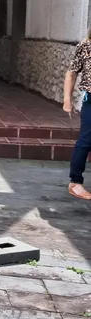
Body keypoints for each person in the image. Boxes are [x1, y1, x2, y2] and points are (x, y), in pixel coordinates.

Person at [64, 30, 91, 201]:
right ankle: (75, 182)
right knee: (86, 140)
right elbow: (72, 72)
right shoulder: (86, 45)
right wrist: (67, 98)